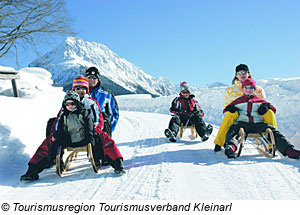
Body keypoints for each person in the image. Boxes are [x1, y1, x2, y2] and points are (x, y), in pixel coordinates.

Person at [223, 78, 300, 159]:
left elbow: (273, 109)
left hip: (258, 124)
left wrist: (266, 107)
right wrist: (230, 108)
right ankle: (231, 147)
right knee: (233, 129)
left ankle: (289, 150)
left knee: (273, 131)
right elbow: (225, 110)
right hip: (243, 123)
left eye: (251, 88)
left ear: (255, 90)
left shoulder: (259, 101)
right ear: (243, 89)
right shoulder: (238, 101)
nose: (249, 90)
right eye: (246, 87)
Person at [213, 64, 277, 152]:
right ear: (236, 75)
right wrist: (231, 108)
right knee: (230, 114)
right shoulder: (230, 90)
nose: (242, 75)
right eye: (239, 73)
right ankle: (219, 142)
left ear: (249, 74)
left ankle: (272, 144)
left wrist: (265, 107)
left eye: (244, 72)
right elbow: (226, 106)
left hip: (255, 115)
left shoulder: (258, 90)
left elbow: (263, 103)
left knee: (269, 113)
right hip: (239, 116)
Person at [85, 67, 119, 137]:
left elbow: (114, 114)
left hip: (101, 132)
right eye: (89, 77)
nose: (92, 80)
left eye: (94, 77)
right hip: (84, 131)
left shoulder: (106, 94)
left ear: (98, 79)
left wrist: (108, 129)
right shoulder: (80, 92)